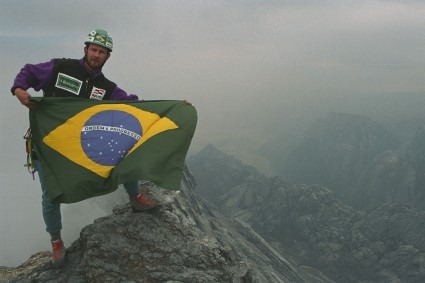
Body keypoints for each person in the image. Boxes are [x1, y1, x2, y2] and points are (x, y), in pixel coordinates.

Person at [11, 29, 160, 268]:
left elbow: (128, 102)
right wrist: (19, 89)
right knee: (51, 194)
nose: (96, 55)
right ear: (86, 50)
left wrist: (165, 107)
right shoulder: (59, 68)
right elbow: (29, 72)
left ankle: (135, 198)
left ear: (107, 57)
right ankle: (57, 241)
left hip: (81, 145)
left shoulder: (105, 87)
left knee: (124, 148)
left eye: (102, 52)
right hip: (49, 145)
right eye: (93, 49)